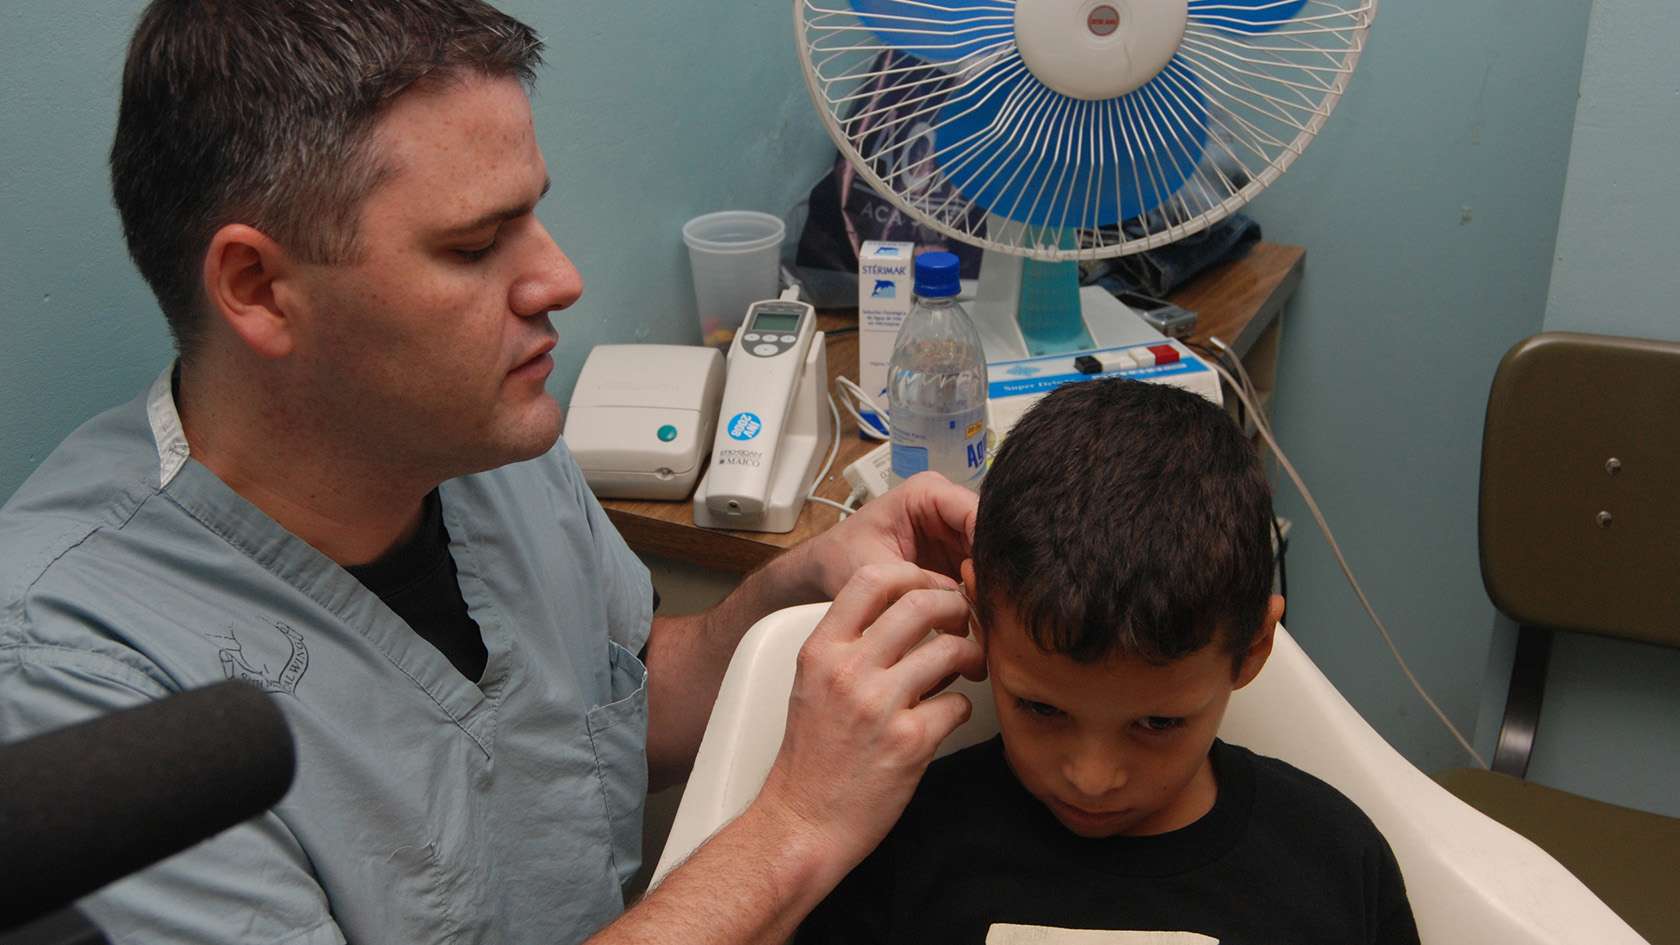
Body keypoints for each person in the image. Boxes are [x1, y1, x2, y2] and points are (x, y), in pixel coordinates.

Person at [0, 2, 986, 943]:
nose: (559, 280)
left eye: (533, 219)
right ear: (260, 288)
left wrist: (786, 591)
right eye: (474, 246)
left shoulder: (479, 438)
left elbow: (600, 715)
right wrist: (795, 834)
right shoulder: (78, 689)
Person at [797, 378, 1421, 945]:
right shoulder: (900, 844)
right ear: (980, 620)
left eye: (1158, 724)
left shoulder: (1334, 863)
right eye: (1041, 708)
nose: (1093, 779)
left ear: (1251, 650)